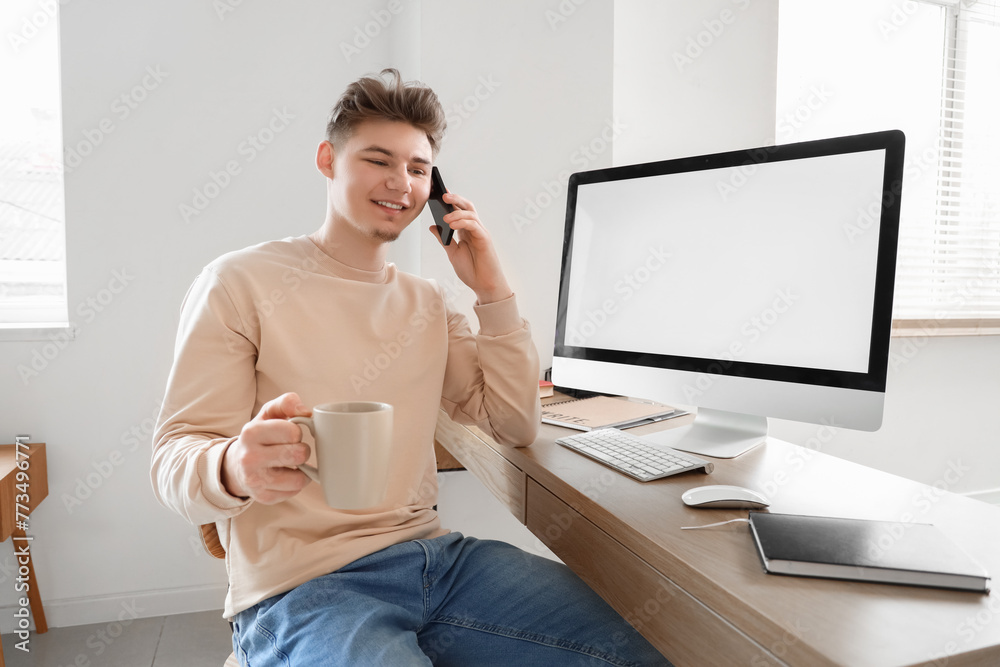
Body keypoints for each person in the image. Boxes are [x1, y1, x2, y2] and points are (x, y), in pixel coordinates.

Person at [151, 69, 669, 666]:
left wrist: (491, 291)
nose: (401, 183)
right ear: (328, 159)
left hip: (437, 563)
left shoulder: (428, 303)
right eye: (378, 160)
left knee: (649, 650)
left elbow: (515, 425)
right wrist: (233, 466)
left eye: (418, 169)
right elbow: (174, 457)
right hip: (304, 589)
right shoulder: (238, 282)